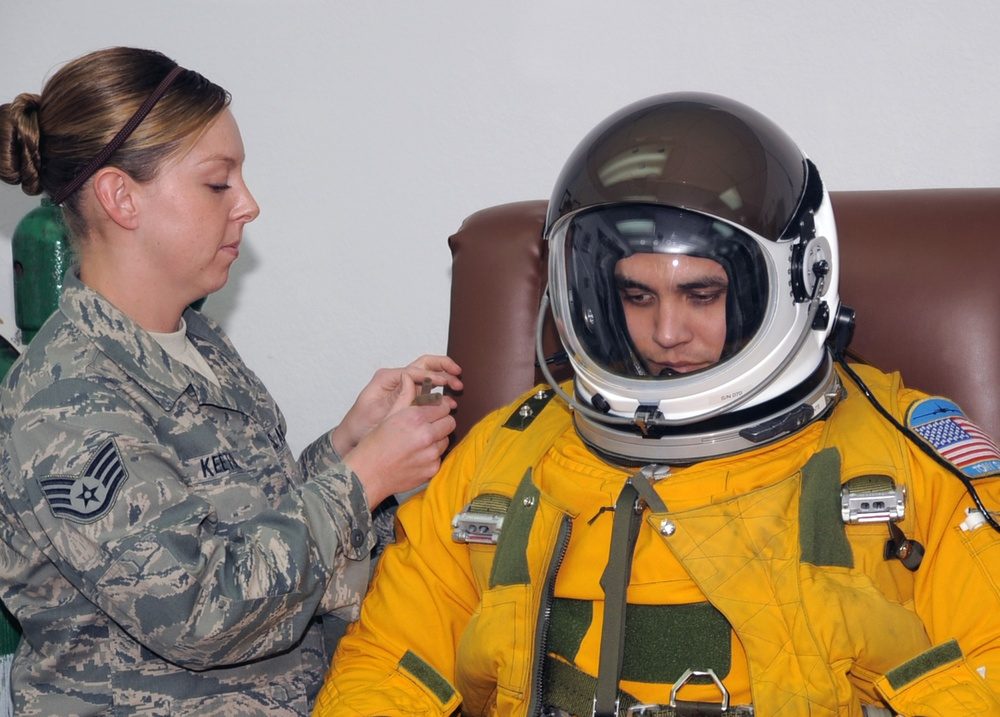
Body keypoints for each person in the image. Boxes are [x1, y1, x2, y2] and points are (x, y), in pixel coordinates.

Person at [314, 92, 1000, 716]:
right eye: (637, 295)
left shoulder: (911, 451)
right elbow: (386, 664)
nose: (667, 331)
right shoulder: (507, 453)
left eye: (702, 293)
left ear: (798, 279)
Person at [0, 46, 462, 716]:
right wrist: (364, 477)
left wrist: (346, 443)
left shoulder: (198, 342)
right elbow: (199, 606)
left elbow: (241, 522)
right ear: (120, 196)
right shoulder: (67, 399)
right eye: (219, 183)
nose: (248, 205)